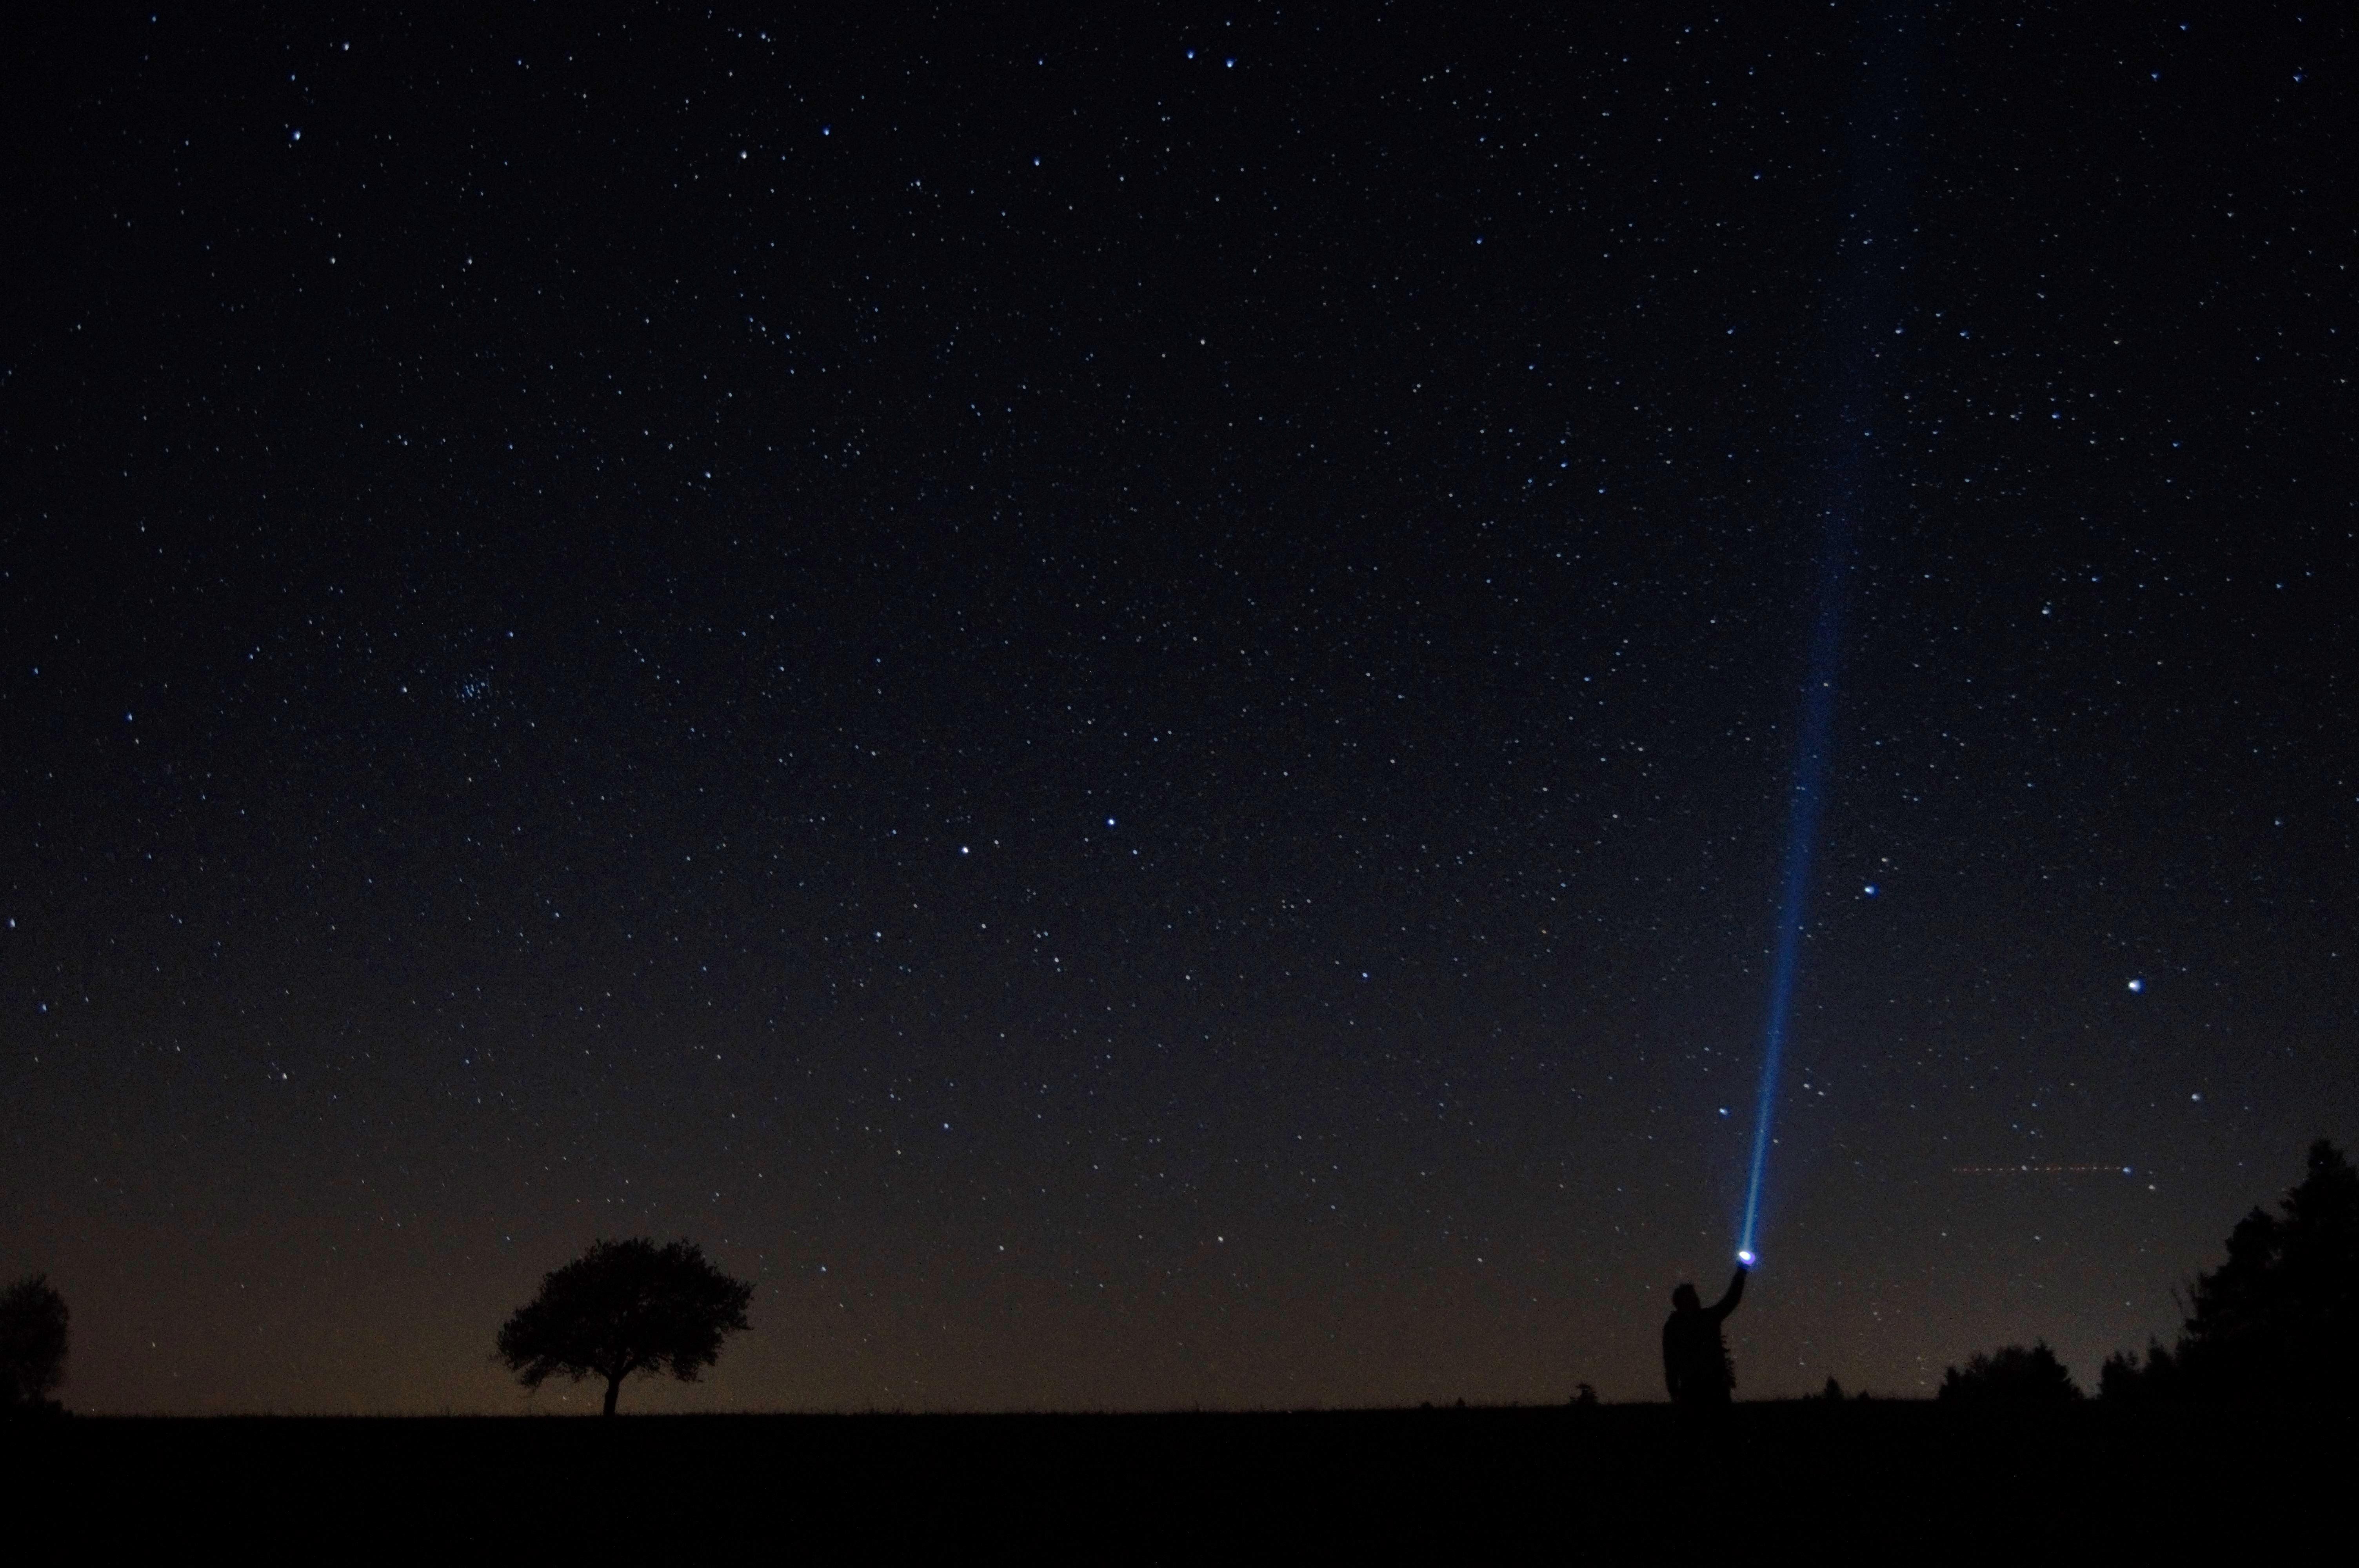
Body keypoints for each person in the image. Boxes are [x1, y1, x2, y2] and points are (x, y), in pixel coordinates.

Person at [1663, 1262, 1749, 1407]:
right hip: (1696, 1388)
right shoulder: (1678, 1326)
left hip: (1711, 1386)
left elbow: (1731, 1300)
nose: (1697, 1299)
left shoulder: (1702, 1319)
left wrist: (1741, 1273)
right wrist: (1674, 1390)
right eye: (1692, 1297)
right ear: (1682, 1302)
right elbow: (1670, 1360)